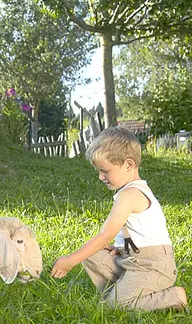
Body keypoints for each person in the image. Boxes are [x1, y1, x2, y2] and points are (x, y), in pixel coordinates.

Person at [50, 126, 187, 311]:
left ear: (128, 165)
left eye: (105, 171)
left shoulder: (130, 194)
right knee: (93, 256)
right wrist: (121, 247)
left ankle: (172, 297)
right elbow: (140, 233)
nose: (100, 177)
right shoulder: (129, 191)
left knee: (116, 306)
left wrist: (70, 260)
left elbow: (105, 235)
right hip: (132, 259)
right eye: (98, 171)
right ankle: (123, 292)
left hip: (152, 265)